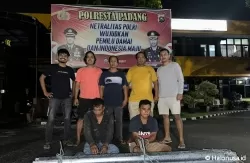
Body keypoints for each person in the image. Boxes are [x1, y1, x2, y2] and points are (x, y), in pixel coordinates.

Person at [39, 48, 75, 150]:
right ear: (57, 57)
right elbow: (41, 78)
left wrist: (73, 93)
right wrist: (45, 92)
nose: (63, 57)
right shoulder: (53, 68)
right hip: (54, 98)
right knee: (51, 119)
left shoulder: (69, 70)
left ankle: (67, 140)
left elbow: (76, 81)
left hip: (67, 98)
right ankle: (48, 141)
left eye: (65, 56)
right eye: (61, 55)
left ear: (68, 58)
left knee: (67, 119)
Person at [157, 48, 185, 149]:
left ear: (169, 56)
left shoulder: (175, 65)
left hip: (174, 96)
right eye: (161, 55)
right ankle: (167, 137)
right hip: (162, 97)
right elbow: (158, 84)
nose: (163, 56)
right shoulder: (159, 69)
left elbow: (181, 79)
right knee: (165, 117)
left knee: (177, 117)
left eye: (165, 54)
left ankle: (181, 140)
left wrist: (180, 93)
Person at [74, 51, 102, 146]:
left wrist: (101, 98)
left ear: (94, 59)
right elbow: (77, 85)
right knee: (81, 119)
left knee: (97, 119)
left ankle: (97, 139)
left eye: (92, 57)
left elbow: (101, 86)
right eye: (88, 57)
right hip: (84, 98)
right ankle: (78, 139)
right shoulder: (80, 70)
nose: (90, 58)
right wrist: (75, 98)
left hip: (96, 98)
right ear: (85, 59)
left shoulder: (99, 70)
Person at [99, 56, 128, 144]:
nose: (113, 63)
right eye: (111, 61)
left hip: (118, 102)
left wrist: (126, 99)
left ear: (117, 63)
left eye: (115, 61)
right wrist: (101, 100)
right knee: (108, 121)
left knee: (119, 121)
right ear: (109, 62)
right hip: (107, 102)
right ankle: (107, 139)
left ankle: (120, 138)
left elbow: (125, 87)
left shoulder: (121, 74)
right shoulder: (104, 74)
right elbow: (101, 87)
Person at [126, 51, 159, 120]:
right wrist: (126, 97)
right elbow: (126, 85)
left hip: (148, 99)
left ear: (145, 59)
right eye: (139, 57)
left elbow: (155, 83)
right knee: (134, 122)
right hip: (134, 100)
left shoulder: (150, 69)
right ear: (136, 59)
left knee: (148, 122)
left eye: (142, 57)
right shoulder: (131, 70)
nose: (140, 59)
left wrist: (156, 96)